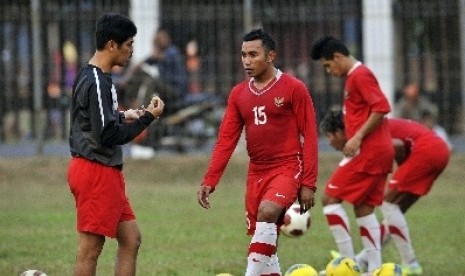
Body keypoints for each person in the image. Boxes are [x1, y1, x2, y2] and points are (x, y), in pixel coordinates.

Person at [197, 29, 318, 276]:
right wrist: (210, 179)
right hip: (256, 172)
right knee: (266, 245)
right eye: (243, 55)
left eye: (253, 54)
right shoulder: (238, 94)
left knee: (268, 212)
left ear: (271, 55)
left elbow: (311, 136)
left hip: (287, 166)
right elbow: (226, 141)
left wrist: (309, 183)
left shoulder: (294, 88)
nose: (247, 61)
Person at [67, 13, 165, 276]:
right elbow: (107, 135)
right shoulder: (97, 80)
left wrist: (124, 115)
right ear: (112, 45)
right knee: (90, 250)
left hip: (103, 170)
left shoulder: (93, 74)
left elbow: (91, 119)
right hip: (95, 170)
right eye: (129, 44)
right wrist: (147, 118)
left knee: (131, 239)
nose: (132, 51)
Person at [319, 109, 450, 275]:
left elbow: (397, 146)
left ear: (340, 132)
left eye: (329, 137)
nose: (330, 143)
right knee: (395, 210)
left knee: (388, 203)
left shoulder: (367, 132)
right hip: (438, 150)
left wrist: (402, 172)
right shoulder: (369, 128)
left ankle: (410, 263)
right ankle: (364, 260)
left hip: (426, 151)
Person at [311, 36, 394, 274]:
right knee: (363, 207)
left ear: (338, 57)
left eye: (328, 65)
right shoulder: (354, 78)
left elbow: (381, 107)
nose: (328, 71)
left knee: (329, 200)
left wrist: (357, 137)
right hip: (378, 151)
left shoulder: (360, 75)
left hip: (368, 151)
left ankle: (347, 265)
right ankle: (375, 269)